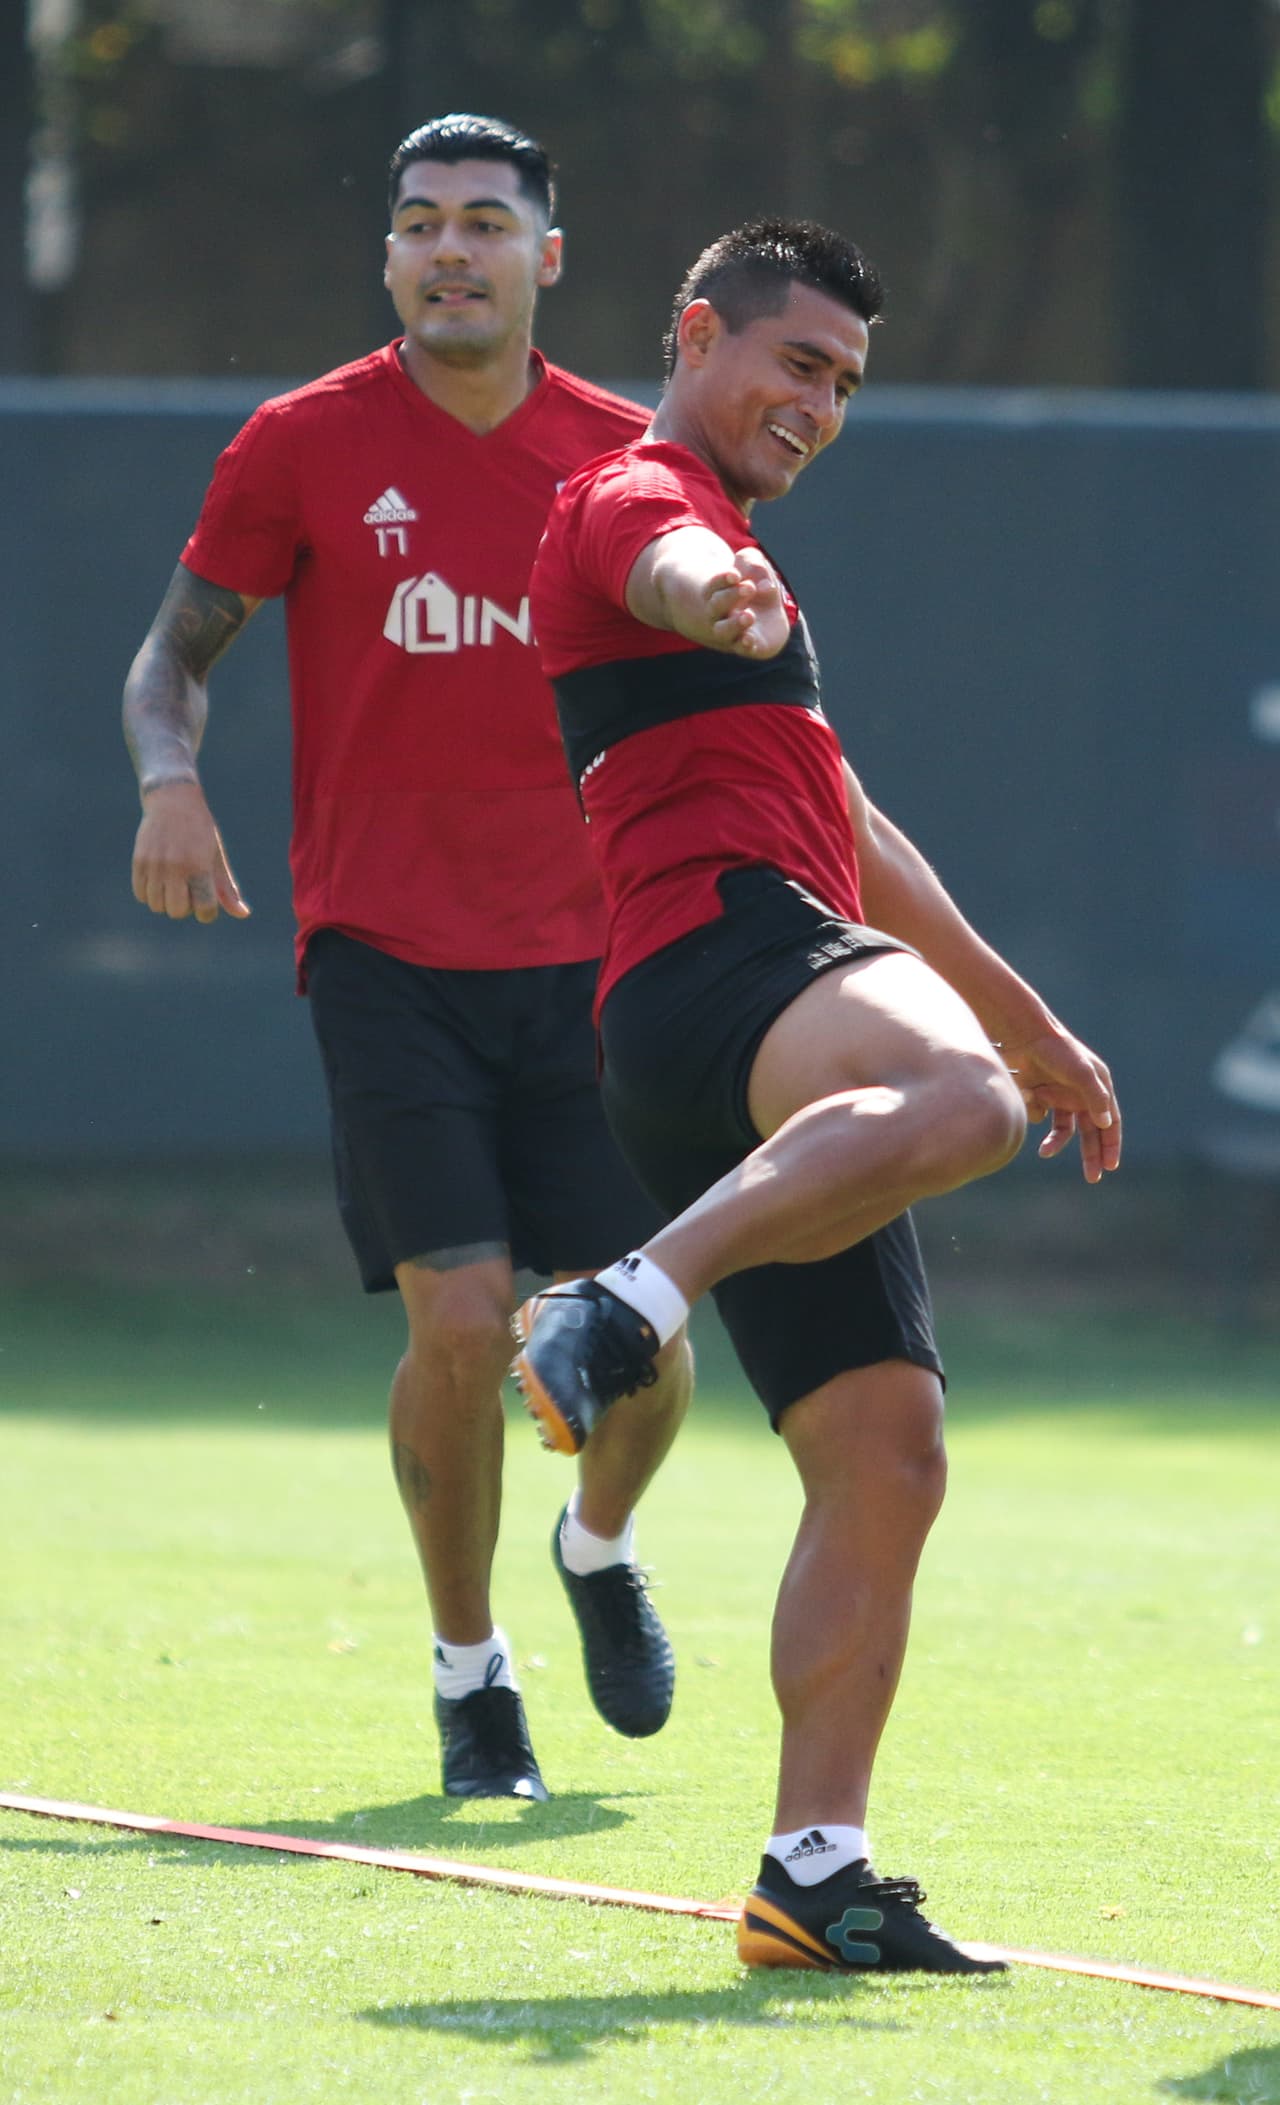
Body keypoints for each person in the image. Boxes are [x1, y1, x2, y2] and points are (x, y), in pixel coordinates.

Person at [518, 217, 1121, 1970]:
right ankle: (626, 1300)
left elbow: (852, 828)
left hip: (727, 1029)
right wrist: (711, 590)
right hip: (728, 970)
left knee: (887, 1450)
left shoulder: (750, 570)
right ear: (697, 333)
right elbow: (648, 558)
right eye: (796, 362)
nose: (819, 404)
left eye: (845, 384)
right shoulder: (643, 502)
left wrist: (1035, 1021)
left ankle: (814, 1873)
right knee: (955, 1103)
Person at [122, 113, 692, 1804]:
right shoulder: (303, 443)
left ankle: (596, 1546)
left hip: (599, 961)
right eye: (425, 223)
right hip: (385, 953)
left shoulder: (627, 458)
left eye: (489, 223)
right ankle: (471, 1676)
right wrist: (169, 781)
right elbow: (172, 659)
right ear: (388, 258)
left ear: (548, 259)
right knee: (461, 1319)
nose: (455, 248)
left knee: (642, 1347)